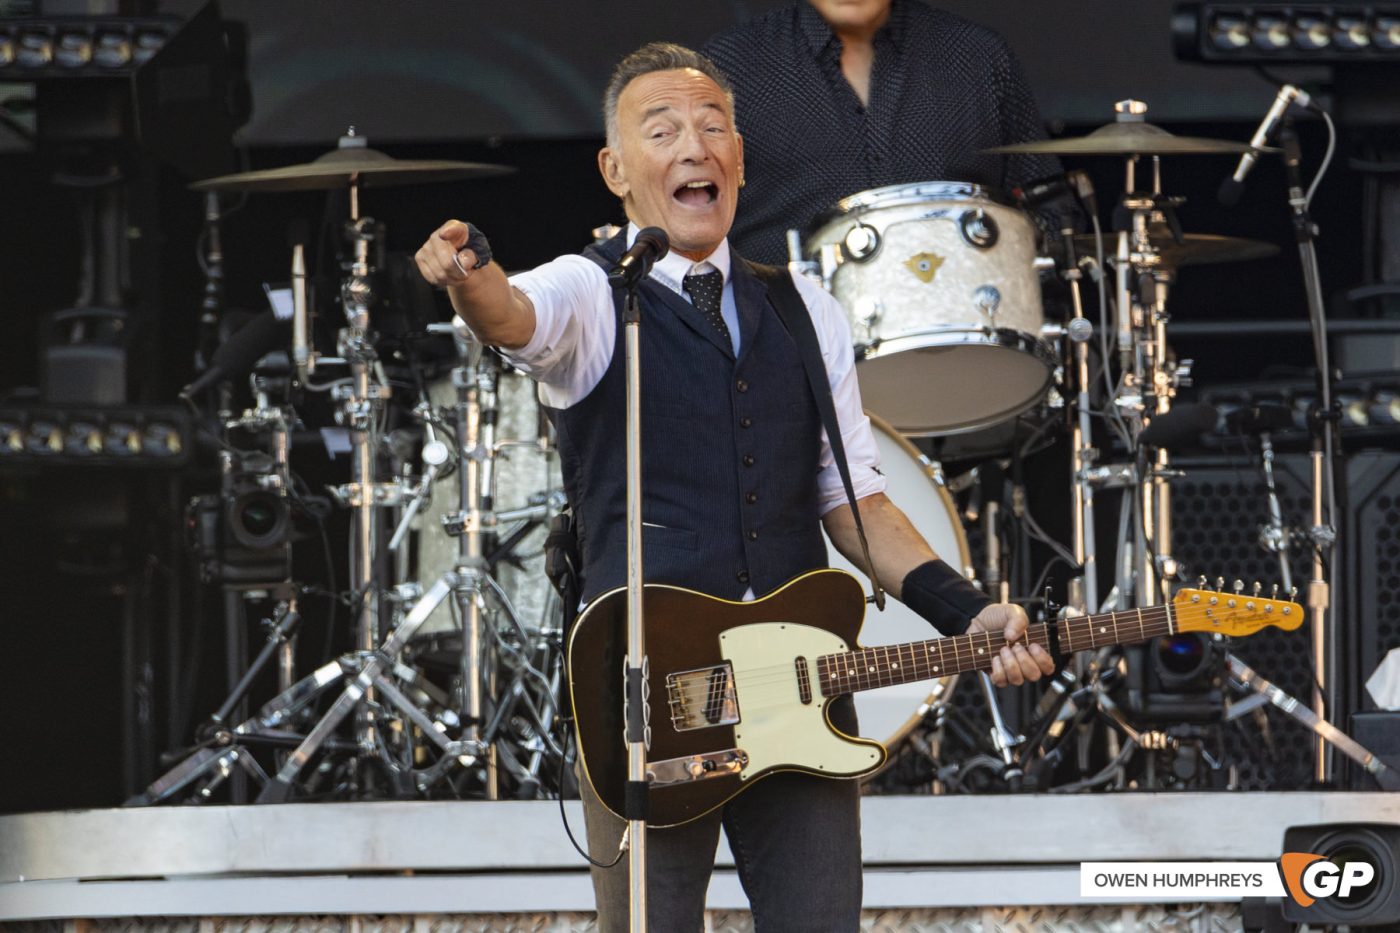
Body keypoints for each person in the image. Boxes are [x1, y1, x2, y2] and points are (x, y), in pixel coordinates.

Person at [416, 42, 1053, 933]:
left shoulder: (804, 307)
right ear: (615, 169)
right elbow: (516, 319)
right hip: (654, 695)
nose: (695, 146)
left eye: (714, 127)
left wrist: (966, 611)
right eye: (664, 128)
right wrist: (470, 277)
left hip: (798, 689)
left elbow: (856, 500)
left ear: (741, 161)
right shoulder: (598, 292)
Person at [702, 0, 1065, 264]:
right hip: (784, 341)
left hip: (961, 333)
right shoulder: (729, 65)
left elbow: (1049, 210)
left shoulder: (977, 56)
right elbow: (692, 225)